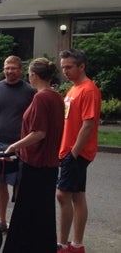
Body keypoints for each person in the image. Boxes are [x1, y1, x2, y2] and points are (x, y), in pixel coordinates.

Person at [2, 57, 64, 252]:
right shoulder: (56, 96)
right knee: (42, 210)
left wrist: (14, 146)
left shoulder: (41, 97)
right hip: (49, 163)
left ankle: (22, 247)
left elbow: (39, 132)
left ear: (34, 75)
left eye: (29, 73)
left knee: (27, 208)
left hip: (37, 162)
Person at [0, 55, 36, 231]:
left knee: (19, 183)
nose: (10, 71)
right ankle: (2, 221)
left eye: (13, 68)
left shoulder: (30, 91)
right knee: (0, 183)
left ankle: (18, 223)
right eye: (7, 67)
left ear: (21, 70)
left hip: (20, 145)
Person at [56, 49, 101, 253]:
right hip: (69, 151)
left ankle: (63, 245)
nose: (64, 71)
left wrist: (73, 153)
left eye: (69, 67)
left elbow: (88, 124)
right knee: (76, 196)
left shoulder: (88, 90)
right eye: (63, 67)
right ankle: (76, 245)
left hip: (76, 153)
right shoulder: (73, 89)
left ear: (81, 66)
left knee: (62, 195)